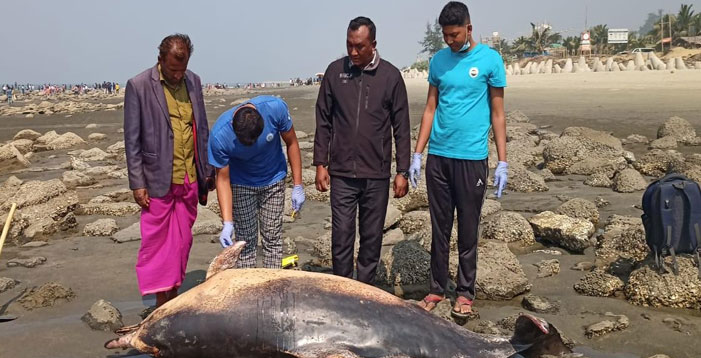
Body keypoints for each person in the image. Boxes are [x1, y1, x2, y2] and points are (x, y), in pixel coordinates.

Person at [410, 1, 508, 316]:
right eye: (445, 35)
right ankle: (437, 289)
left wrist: (502, 160)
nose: (450, 40)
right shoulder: (438, 62)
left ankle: (465, 293)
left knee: (467, 228)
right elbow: (430, 108)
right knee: (440, 227)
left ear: (469, 28)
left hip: (472, 158)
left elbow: (498, 114)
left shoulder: (491, 60)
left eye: (454, 34)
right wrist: (417, 153)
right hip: (439, 157)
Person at [314, 16, 411, 285]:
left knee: (371, 237)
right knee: (341, 234)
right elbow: (323, 119)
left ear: (373, 45)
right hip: (342, 173)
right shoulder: (335, 72)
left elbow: (401, 126)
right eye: (349, 45)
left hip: (376, 174)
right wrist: (321, 163)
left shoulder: (390, 76)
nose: (353, 52)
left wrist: (402, 170)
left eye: (359, 46)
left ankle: (365, 290)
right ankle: (343, 289)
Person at [124, 33, 215, 308]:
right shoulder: (138, 86)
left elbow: (202, 128)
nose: (178, 75)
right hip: (157, 179)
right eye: (173, 70)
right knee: (158, 243)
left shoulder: (194, 81)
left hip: (188, 175)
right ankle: (161, 302)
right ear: (160, 59)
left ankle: (172, 296)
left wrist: (206, 173)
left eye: (182, 69)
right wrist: (137, 183)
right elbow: (132, 139)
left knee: (182, 242)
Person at [208, 95, 304, 268]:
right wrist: (227, 222)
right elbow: (222, 180)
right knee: (245, 242)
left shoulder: (275, 109)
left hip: (274, 179)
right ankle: (248, 287)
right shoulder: (219, 136)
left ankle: (272, 287)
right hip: (241, 184)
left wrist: (298, 185)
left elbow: (292, 142)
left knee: (273, 238)